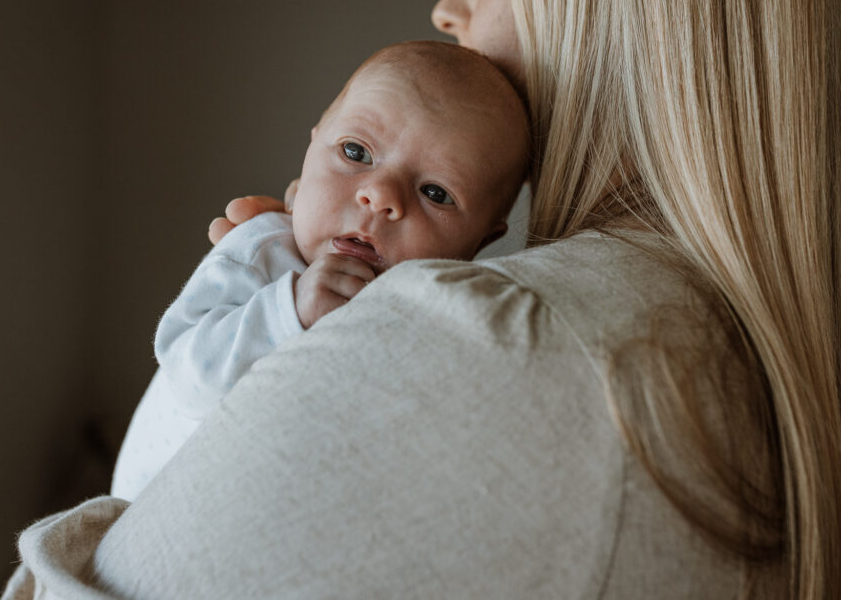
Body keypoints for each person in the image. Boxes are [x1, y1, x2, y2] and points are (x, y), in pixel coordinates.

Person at [3, 0, 841, 599]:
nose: (448, 4)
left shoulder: (502, 338)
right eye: (353, 154)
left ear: (633, 0)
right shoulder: (699, 336)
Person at [109, 40, 529, 501]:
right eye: (356, 152)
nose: (380, 196)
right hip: (150, 500)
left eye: (436, 193)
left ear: (481, 243)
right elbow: (188, 376)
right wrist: (290, 310)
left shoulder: (437, 318)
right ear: (307, 159)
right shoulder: (264, 251)